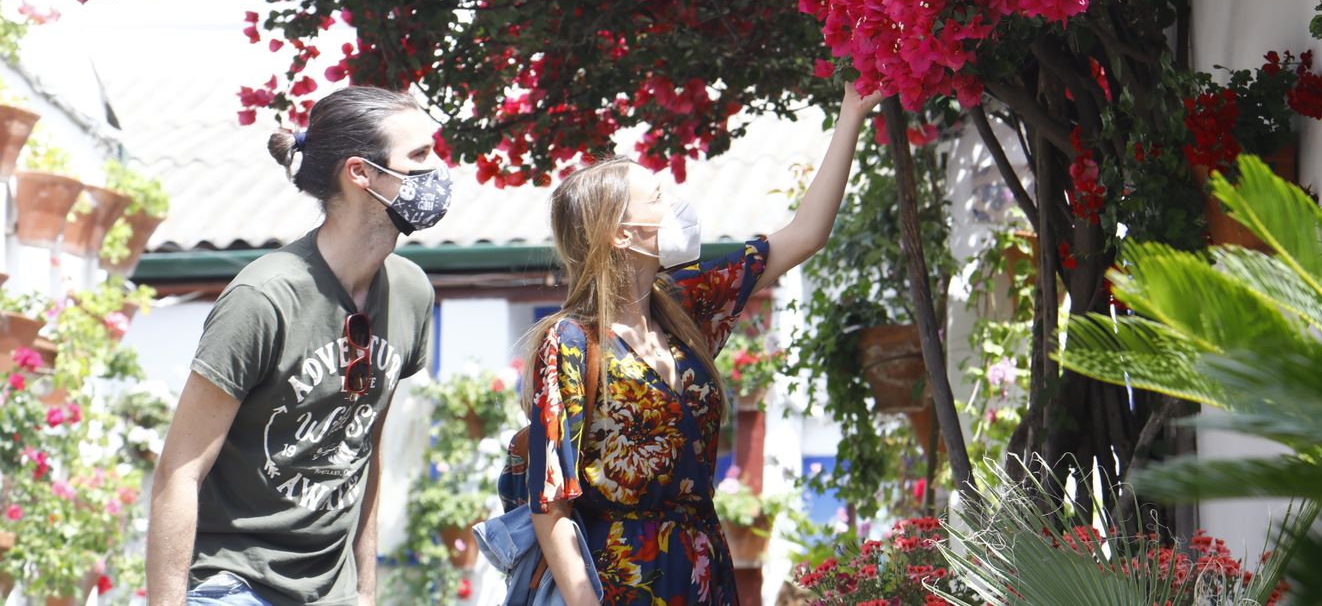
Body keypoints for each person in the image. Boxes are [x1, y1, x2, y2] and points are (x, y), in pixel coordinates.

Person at [497, 83, 882, 605]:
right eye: (656, 197)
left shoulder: (682, 306)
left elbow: (805, 234)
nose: (675, 201)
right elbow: (550, 503)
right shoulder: (569, 341)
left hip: (704, 566)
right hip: (621, 579)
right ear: (620, 234)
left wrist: (852, 111)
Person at [147, 86, 443, 606]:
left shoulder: (411, 293)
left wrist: (365, 592)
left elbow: (364, 452)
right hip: (236, 582)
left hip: (333, 591)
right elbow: (179, 472)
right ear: (361, 174)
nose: (438, 169)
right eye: (418, 156)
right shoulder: (263, 298)